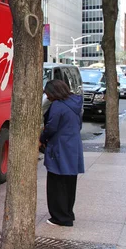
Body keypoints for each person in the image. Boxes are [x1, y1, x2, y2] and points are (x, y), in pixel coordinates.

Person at [39, 80, 85, 227]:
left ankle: (60, 217)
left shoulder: (58, 106)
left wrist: (42, 138)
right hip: (73, 146)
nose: (46, 96)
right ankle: (68, 213)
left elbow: (51, 127)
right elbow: (79, 125)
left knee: (56, 183)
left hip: (59, 147)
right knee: (70, 183)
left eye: (47, 93)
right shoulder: (75, 103)